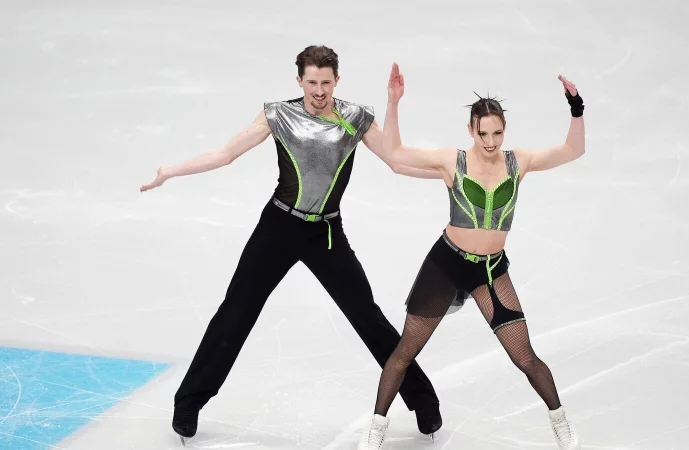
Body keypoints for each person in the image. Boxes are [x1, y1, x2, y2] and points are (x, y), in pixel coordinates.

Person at [139, 46, 444, 444]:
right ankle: (189, 403)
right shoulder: (279, 114)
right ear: (299, 80)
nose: (319, 90)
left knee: (367, 316)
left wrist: (405, 120)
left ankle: (423, 401)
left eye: (326, 82)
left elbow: (397, 161)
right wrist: (170, 171)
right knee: (235, 312)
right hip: (278, 228)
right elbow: (226, 154)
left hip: (326, 234)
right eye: (312, 82)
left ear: (338, 80)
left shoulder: (355, 118)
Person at [356, 63, 585, 450]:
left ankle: (560, 423)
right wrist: (393, 102)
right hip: (446, 265)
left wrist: (575, 106)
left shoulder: (519, 161)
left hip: (492, 271)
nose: (491, 141)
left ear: (504, 131)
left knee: (524, 355)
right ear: (471, 131)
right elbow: (394, 153)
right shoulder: (453, 161)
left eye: (497, 132)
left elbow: (573, 150)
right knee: (405, 352)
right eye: (483, 133)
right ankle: (376, 426)